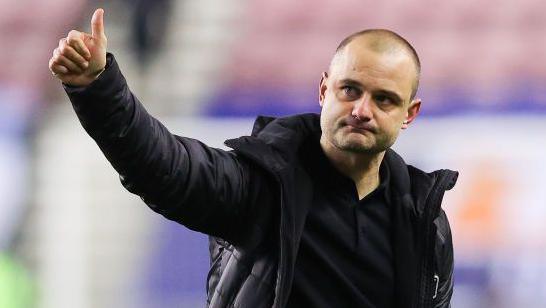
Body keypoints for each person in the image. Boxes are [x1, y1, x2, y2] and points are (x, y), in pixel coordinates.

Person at [49, 8, 458, 308]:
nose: (362, 110)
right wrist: (99, 87)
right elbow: (164, 166)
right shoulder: (261, 182)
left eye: (384, 99)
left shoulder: (424, 220)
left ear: (410, 114)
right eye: (350, 90)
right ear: (324, 90)